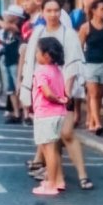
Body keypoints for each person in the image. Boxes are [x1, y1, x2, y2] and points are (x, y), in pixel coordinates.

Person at [17, 0, 94, 190]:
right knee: (52, 138)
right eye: (49, 10)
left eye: (56, 10)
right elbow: (31, 63)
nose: (53, 14)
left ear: (61, 12)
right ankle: (58, 179)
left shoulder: (69, 34)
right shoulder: (38, 32)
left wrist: (67, 94)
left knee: (66, 133)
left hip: (62, 92)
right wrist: (27, 90)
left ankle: (83, 175)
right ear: (42, 12)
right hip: (43, 93)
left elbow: (73, 64)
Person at [30, 37, 68, 196]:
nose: (35, 54)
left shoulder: (41, 71)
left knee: (48, 150)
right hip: (59, 114)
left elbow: (47, 92)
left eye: (37, 51)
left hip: (46, 114)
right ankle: (57, 180)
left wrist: (57, 99)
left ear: (46, 56)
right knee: (53, 149)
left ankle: (51, 184)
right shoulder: (57, 70)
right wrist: (62, 100)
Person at [78, 0, 103, 133]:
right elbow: (79, 47)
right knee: (93, 94)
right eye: (102, 8)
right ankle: (98, 123)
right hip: (90, 64)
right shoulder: (85, 27)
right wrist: (80, 65)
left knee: (99, 95)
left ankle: (93, 121)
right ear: (93, 11)